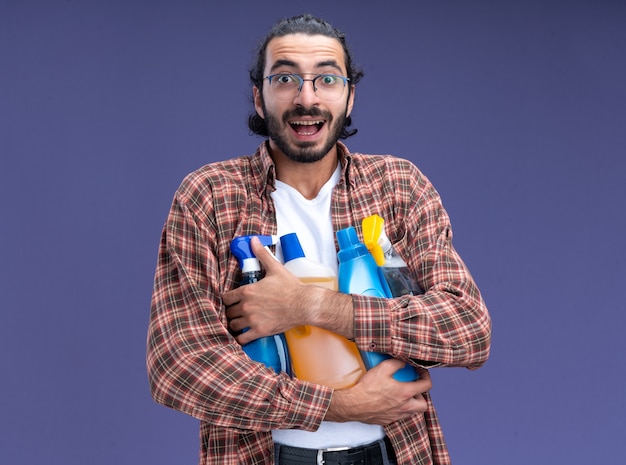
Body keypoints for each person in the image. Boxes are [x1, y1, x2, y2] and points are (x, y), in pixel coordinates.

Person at [147, 13, 491, 465]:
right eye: (286, 77)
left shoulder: (398, 186)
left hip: (393, 453)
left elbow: (467, 330)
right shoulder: (210, 196)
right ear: (259, 96)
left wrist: (309, 307)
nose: (306, 98)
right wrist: (336, 406)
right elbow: (178, 364)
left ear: (349, 97)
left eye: (326, 78)